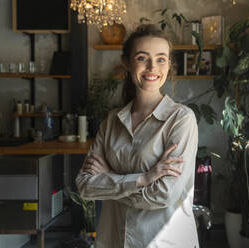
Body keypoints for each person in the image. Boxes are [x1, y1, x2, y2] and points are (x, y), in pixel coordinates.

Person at [76, 24, 200, 248]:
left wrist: (110, 178)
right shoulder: (112, 121)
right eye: (143, 58)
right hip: (114, 241)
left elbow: (164, 195)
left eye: (161, 59)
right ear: (126, 62)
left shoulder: (181, 120)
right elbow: (85, 186)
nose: (153, 66)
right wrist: (143, 179)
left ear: (169, 64)